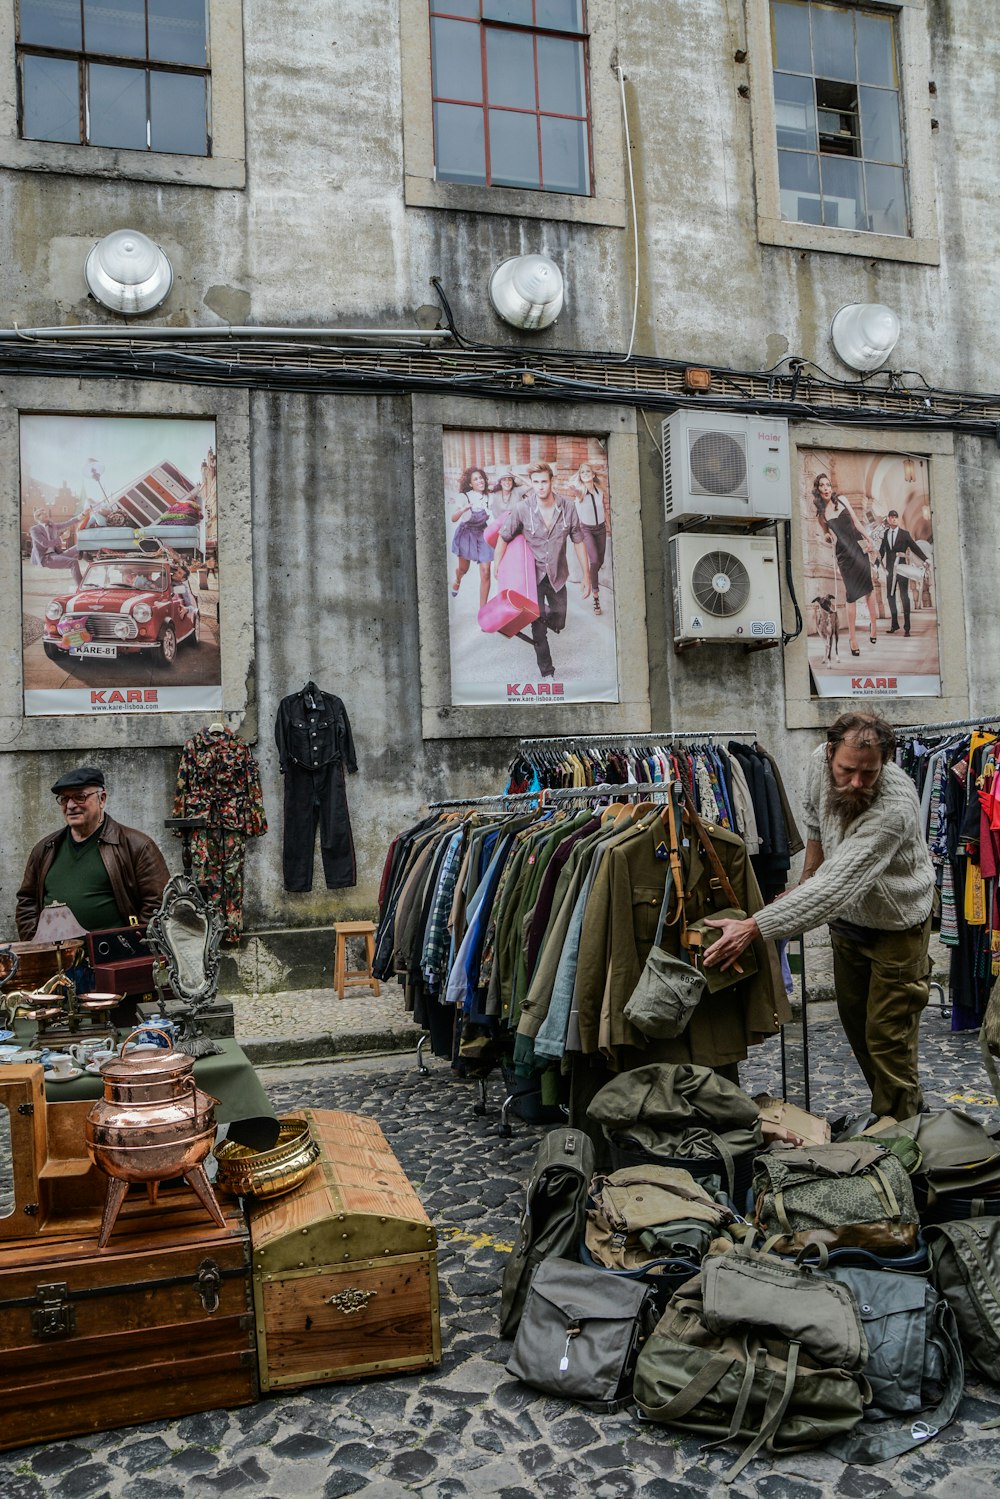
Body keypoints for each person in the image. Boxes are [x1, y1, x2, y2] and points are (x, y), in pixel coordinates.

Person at [701, 712, 935, 1122]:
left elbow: (836, 888)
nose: (857, 782)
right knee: (859, 1030)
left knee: (887, 1039)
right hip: (849, 925)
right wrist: (806, 875)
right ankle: (902, 1112)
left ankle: (901, 1135)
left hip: (898, 929)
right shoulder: (816, 764)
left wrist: (755, 926)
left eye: (870, 772)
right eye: (847, 770)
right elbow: (814, 821)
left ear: (886, 762)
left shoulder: (894, 807)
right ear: (830, 753)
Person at [15, 766, 170, 939]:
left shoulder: (137, 846)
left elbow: (158, 906)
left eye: (80, 797)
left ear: (102, 799)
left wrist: (133, 947)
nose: (71, 805)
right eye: (65, 799)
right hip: (57, 960)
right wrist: (36, 946)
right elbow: (27, 902)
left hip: (111, 960)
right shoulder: (45, 849)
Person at [493, 463, 590, 679]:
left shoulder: (568, 507)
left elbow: (579, 541)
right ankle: (547, 672)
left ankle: (538, 615)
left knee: (560, 621)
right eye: (535, 482)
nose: (540, 486)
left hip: (557, 575)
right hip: (532, 577)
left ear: (551, 481)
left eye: (544, 481)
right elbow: (503, 535)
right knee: (538, 629)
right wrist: (496, 565)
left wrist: (586, 576)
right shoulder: (522, 508)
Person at [811, 474, 877, 657]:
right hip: (843, 555)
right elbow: (825, 533)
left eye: (828, 485)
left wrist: (869, 538)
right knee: (851, 595)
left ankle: (874, 625)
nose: (826, 488)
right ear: (817, 490)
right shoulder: (821, 515)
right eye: (822, 486)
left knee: (868, 589)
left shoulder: (842, 500)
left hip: (858, 548)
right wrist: (827, 536)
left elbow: (856, 522)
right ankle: (852, 638)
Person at [566, 462, 610, 616]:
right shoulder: (580, 492)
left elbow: (604, 508)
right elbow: (573, 487)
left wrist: (608, 525)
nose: (585, 473)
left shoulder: (599, 491)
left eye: (588, 471)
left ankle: (591, 576)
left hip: (601, 529)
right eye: (582, 472)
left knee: (600, 561)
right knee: (595, 561)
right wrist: (575, 484)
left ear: (593, 474)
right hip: (587, 530)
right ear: (580, 476)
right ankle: (596, 596)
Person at [878, 508, 929, 638]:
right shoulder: (884, 534)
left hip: (902, 569)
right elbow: (881, 552)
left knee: (904, 596)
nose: (893, 519)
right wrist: (875, 564)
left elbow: (914, 547)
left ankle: (907, 628)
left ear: (897, 519)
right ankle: (894, 624)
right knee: (890, 596)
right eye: (891, 517)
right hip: (890, 570)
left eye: (895, 517)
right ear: (888, 519)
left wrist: (925, 559)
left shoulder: (904, 534)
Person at [450, 466, 494, 610]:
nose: (480, 481)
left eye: (481, 478)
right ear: (470, 484)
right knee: (464, 569)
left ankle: (483, 610)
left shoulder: (489, 496)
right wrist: (463, 509)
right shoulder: (465, 496)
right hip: (466, 535)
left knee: (486, 571)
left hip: (482, 534)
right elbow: (453, 518)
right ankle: (457, 579)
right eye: (475, 479)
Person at [28, 507, 83, 588]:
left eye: (46, 512)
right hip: (46, 558)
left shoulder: (52, 526)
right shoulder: (34, 530)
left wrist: (81, 515)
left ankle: (92, 564)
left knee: (80, 546)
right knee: (73, 562)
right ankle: (81, 587)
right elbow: (45, 543)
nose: (46, 514)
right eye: (43, 513)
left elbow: (67, 523)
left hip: (56, 554)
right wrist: (62, 538)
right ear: (38, 517)